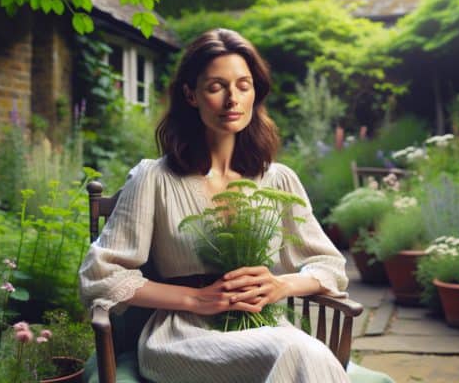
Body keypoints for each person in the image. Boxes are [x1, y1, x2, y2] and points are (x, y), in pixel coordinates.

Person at [79, 28, 351, 382]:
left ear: (255, 92)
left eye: (243, 85)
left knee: (300, 351)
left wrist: (282, 286)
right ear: (191, 95)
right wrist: (194, 300)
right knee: (300, 352)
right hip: (182, 337)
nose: (232, 99)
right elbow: (101, 275)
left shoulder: (278, 180)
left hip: (267, 326)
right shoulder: (154, 179)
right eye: (216, 87)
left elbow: (329, 265)